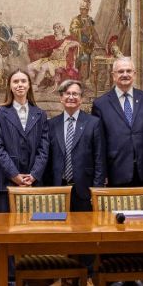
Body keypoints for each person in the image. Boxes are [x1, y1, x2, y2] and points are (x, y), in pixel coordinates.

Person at [90, 57, 143, 187]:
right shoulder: (100, 104)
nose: (125, 74)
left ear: (134, 74)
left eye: (128, 71)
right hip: (115, 171)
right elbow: (99, 143)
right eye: (121, 71)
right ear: (113, 75)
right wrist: (102, 173)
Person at [0, 69, 49, 212]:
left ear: (29, 85)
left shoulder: (40, 114)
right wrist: (14, 175)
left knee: (32, 229)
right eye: (15, 81)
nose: (19, 85)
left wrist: (34, 175)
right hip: (6, 181)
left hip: (32, 181)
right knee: (5, 228)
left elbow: (44, 148)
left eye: (23, 81)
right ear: (10, 86)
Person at [46, 80, 105, 211]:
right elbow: (47, 159)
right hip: (57, 189)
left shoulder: (93, 123)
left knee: (84, 229)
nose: (71, 97)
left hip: (84, 190)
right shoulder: (51, 124)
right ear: (61, 98)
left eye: (75, 94)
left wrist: (97, 191)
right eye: (67, 93)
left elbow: (99, 160)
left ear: (81, 99)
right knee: (59, 229)